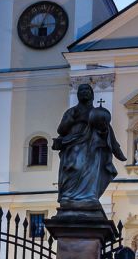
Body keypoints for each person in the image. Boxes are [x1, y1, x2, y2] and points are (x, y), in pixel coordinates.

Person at [53, 84, 126, 212]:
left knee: (90, 172)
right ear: (78, 94)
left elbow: (106, 130)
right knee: (74, 167)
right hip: (73, 146)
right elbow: (61, 129)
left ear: (92, 94)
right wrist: (71, 120)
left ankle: (88, 197)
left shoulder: (97, 113)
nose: (84, 92)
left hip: (93, 147)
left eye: (87, 90)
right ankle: (69, 197)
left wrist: (104, 130)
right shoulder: (72, 112)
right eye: (81, 90)